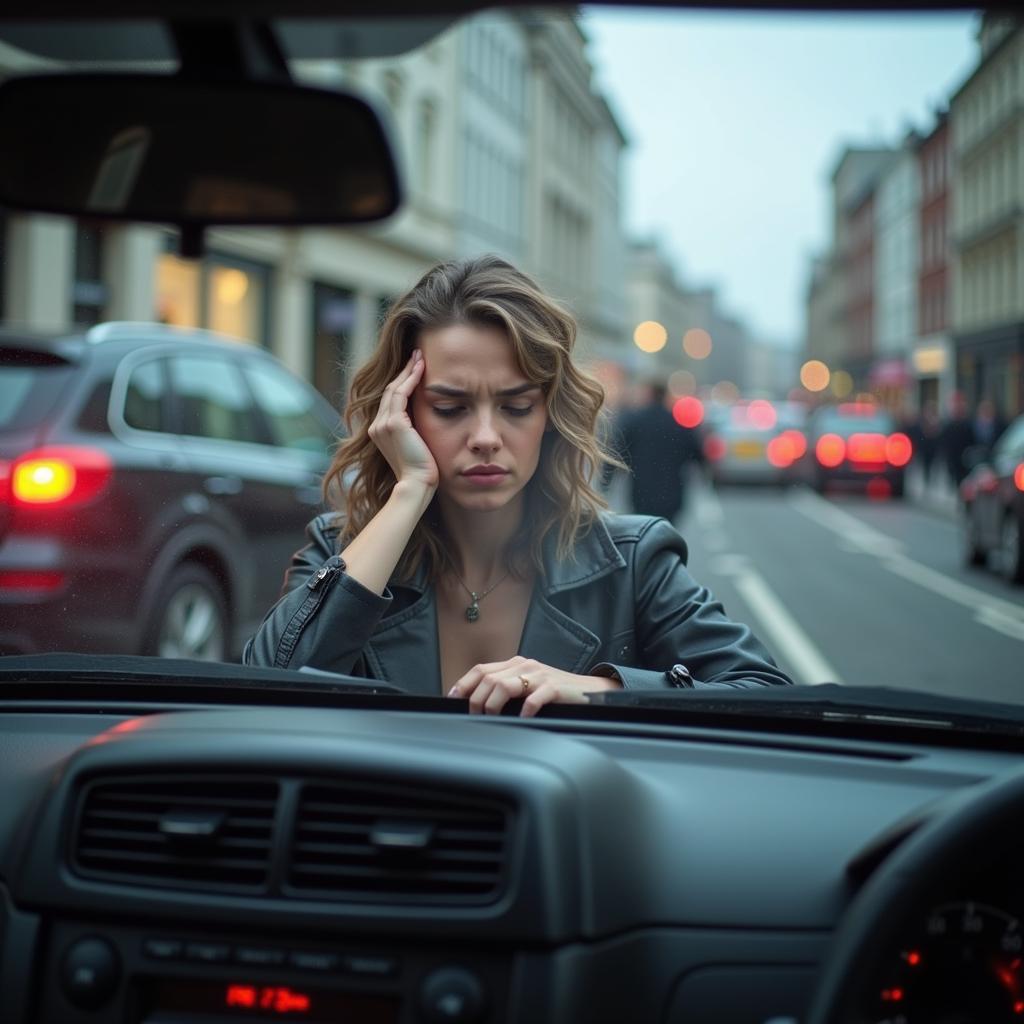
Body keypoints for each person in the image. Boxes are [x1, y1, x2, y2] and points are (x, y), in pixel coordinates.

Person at [243, 255, 792, 714]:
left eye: (517, 406)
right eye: (450, 407)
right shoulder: (347, 551)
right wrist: (409, 488)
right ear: (403, 413)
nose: (485, 436)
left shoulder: (631, 563)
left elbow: (768, 698)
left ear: (549, 415)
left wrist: (598, 690)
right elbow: (263, 693)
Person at [616, 380, 703, 521]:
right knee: (666, 532)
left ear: (649, 395)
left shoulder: (635, 422)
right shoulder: (677, 424)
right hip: (671, 491)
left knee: (643, 532)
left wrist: (605, 482)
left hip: (641, 491)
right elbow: (696, 452)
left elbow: (618, 452)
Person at [939, 391, 975, 487]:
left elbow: (972, 441)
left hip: (965, 459)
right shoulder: (948, 425)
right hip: (953, 459)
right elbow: (944, 443)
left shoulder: (967, 424)